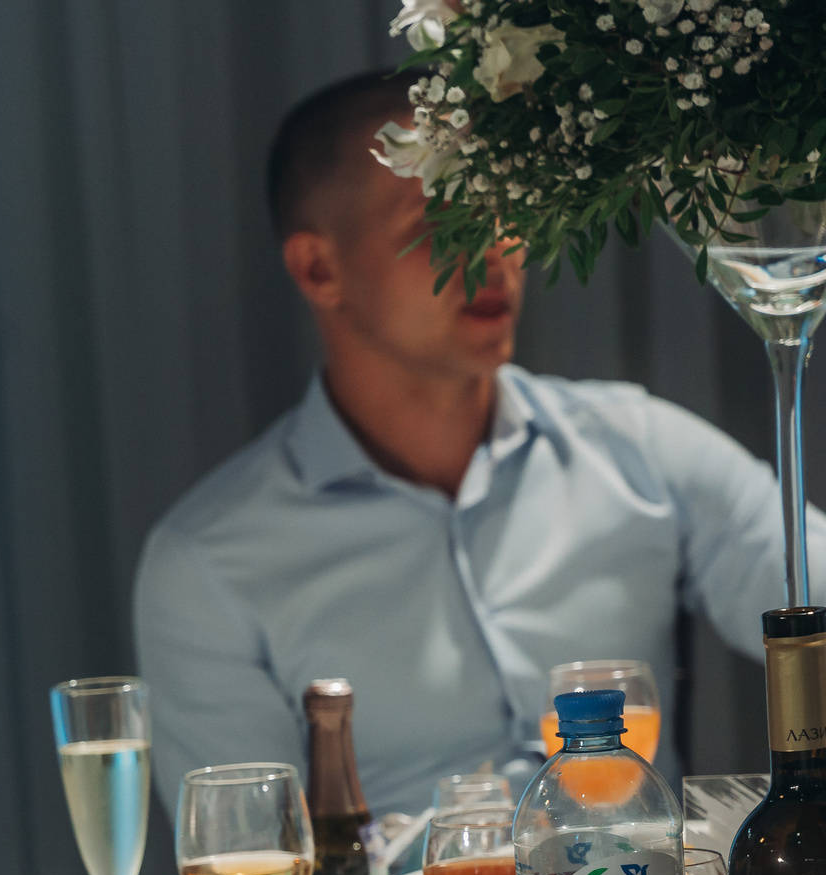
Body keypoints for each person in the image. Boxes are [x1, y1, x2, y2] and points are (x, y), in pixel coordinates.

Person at [134, 69, 826, 814]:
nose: (494, 249)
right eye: (440, 219)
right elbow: (249, 857)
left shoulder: (636, 448)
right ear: (319, 267)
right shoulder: (209, 566)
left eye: (503, 209)